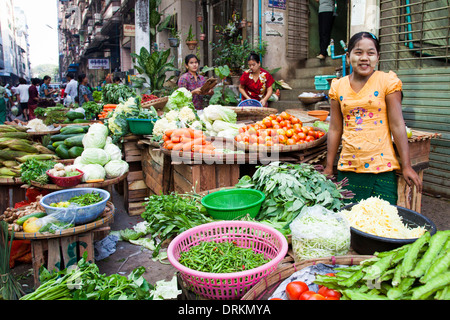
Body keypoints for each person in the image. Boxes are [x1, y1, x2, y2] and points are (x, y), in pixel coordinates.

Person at [322, 31, 422, 205]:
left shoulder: (387, 82)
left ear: (378, 57)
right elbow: (335, 128)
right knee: (350, 222)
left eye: (370, 53)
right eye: (358, 52)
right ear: (348, 57)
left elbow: (397, 124)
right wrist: (329, 166)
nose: (364, 58)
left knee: (382, 223)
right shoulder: (337, 87)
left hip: (382, 168)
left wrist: (406, 165)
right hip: (349, 166)